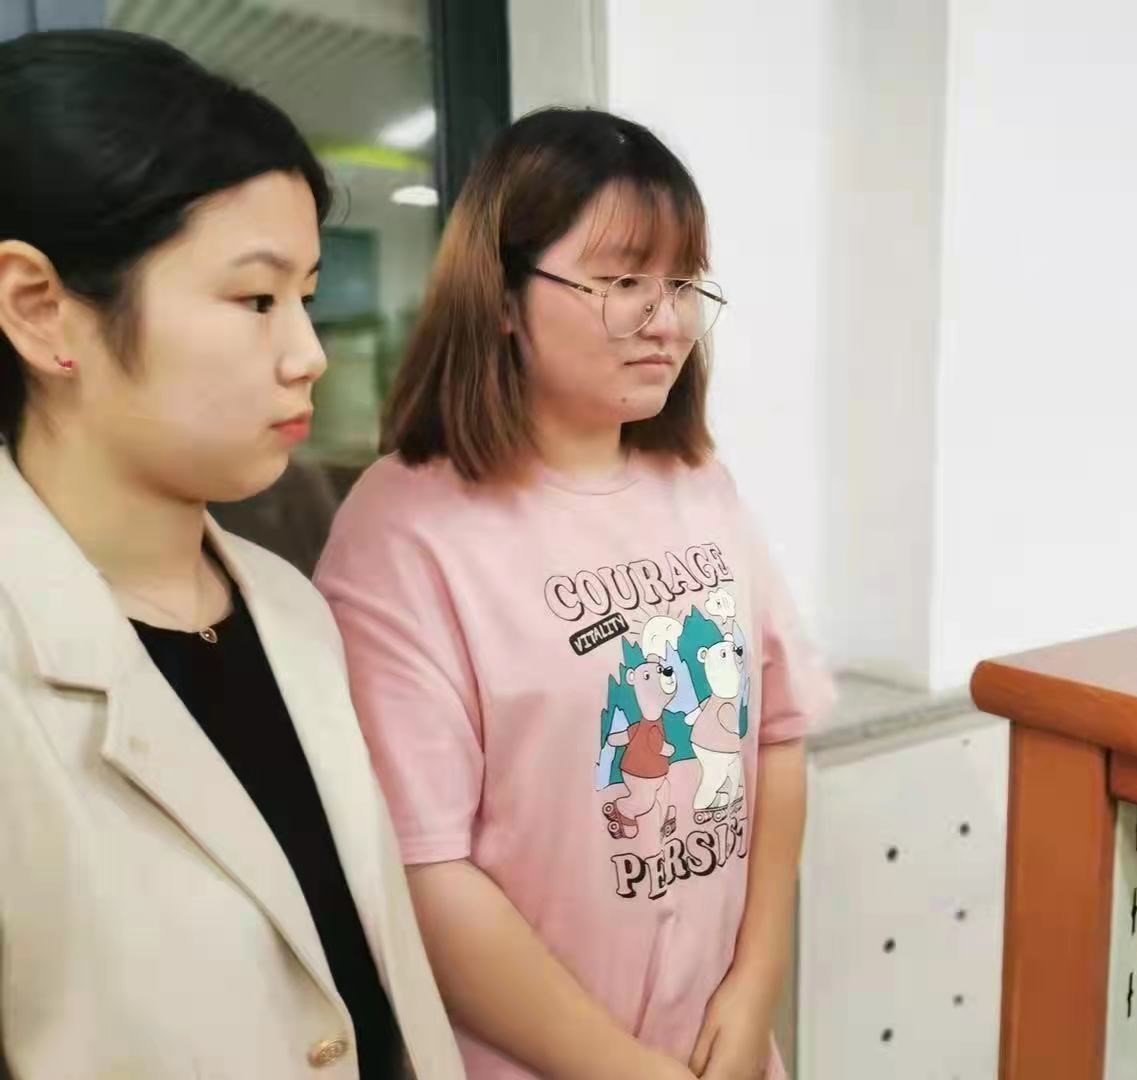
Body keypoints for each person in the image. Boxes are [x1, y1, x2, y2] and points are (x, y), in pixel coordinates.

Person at [314, 108, 835, 1080]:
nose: (665, 319)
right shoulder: (406, 526)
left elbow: (778, 737)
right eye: (622, 282)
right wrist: (622, 1068)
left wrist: (756, 981)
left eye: (682, 282)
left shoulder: (698, 485)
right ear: (503, 296)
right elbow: (423, 865)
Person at [0, 30, 462, 1079]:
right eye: (257, 299)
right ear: (40, 309)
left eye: (307, 297)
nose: (308, 354)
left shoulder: (289, 608)